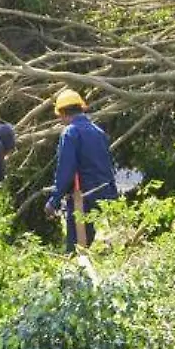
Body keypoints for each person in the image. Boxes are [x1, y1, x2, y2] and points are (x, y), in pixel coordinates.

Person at [46, 89, 116, 250]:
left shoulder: (70, 132)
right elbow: (107, 165)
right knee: (102, 249)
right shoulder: (99, 132)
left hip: (82, 199)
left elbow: (66, 171)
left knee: (77, 251)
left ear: (63, 113)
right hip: (105, 196)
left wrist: (54, 201)